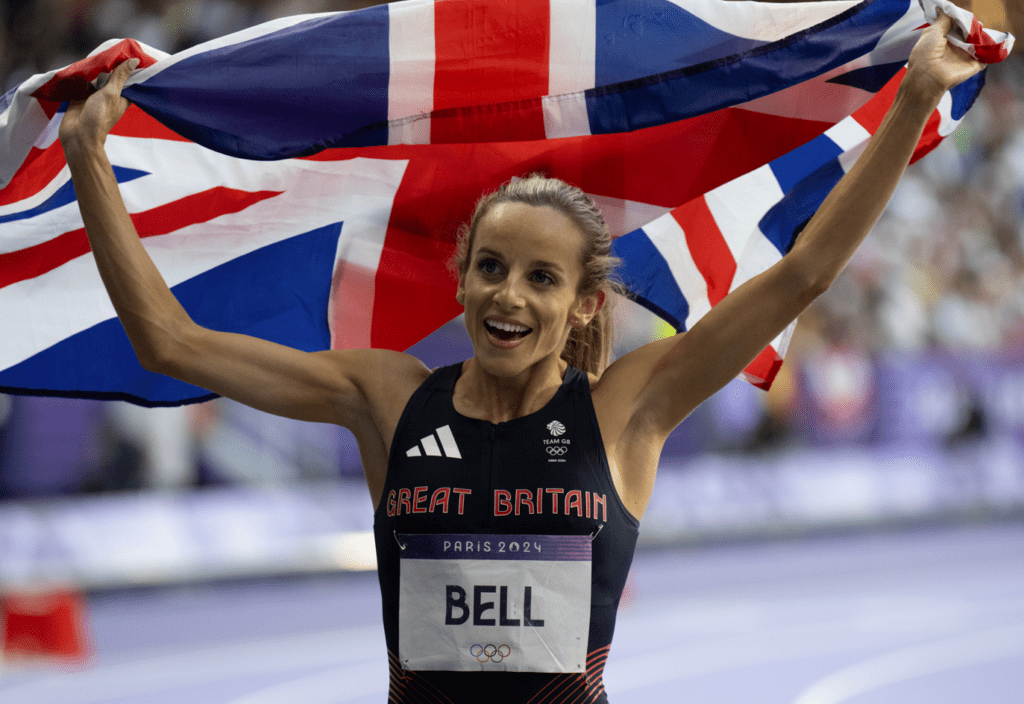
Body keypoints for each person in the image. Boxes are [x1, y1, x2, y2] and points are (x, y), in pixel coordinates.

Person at [58, 12, 982, 703]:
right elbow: (167, 342)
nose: (509, 295)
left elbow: (807, 274)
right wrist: (87, 156)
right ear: (460, 279)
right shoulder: (388, 398)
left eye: (542, 279)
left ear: (581, 302)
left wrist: (913, 98)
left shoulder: (626, 411)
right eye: (491, 268)